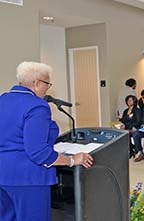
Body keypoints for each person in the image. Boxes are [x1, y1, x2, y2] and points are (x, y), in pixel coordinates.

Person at [0, 61, 93, 221]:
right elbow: (38, 151)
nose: (47, 88)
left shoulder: (3, 100)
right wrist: (72, 160)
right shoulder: (37, 106)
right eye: (47, 84)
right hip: (29, 180)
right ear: (36, 83)